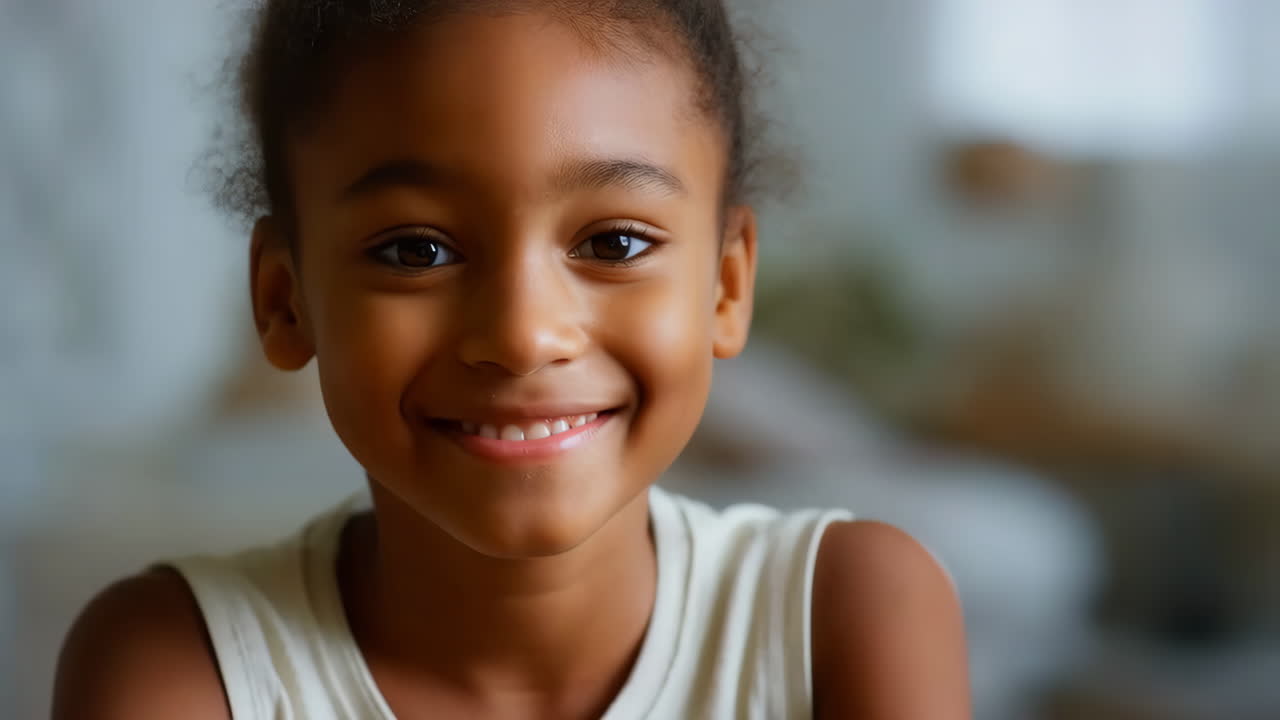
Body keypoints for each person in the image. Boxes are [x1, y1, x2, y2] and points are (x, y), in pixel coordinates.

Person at [52, 2, 969, 717]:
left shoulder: (839, 615)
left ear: (726, 287)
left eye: (613, 243)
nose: (526, 335)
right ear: (285, 301)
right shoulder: (182, 665)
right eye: (416, 249)